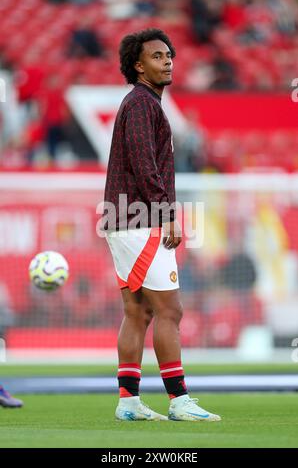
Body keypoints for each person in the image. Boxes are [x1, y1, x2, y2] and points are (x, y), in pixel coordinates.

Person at [101, 28, 221, 422]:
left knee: (138, 312)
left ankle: (129, 402)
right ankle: (179, 400)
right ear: (138, 66)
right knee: (171, 309)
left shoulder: (144, 103)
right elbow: (142, 161)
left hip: (123, 217)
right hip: (140, 218)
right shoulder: (141, 103)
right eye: (156, 56)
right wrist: (167, 213)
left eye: (169, 54)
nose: (167, 60)